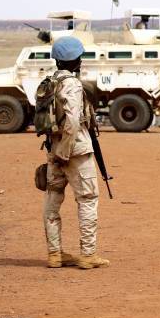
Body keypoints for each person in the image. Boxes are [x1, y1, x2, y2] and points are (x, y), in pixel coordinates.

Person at [43, 36, 109, 270]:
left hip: (53, 149)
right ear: (75, 60)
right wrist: (65, 151)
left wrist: (57, 151)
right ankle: (88, 255)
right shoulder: (72, 83)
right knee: (88, 199)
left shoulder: (51, 81)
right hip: (75, 151)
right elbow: (71, 121)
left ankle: (55, 254)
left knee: (52, 201)